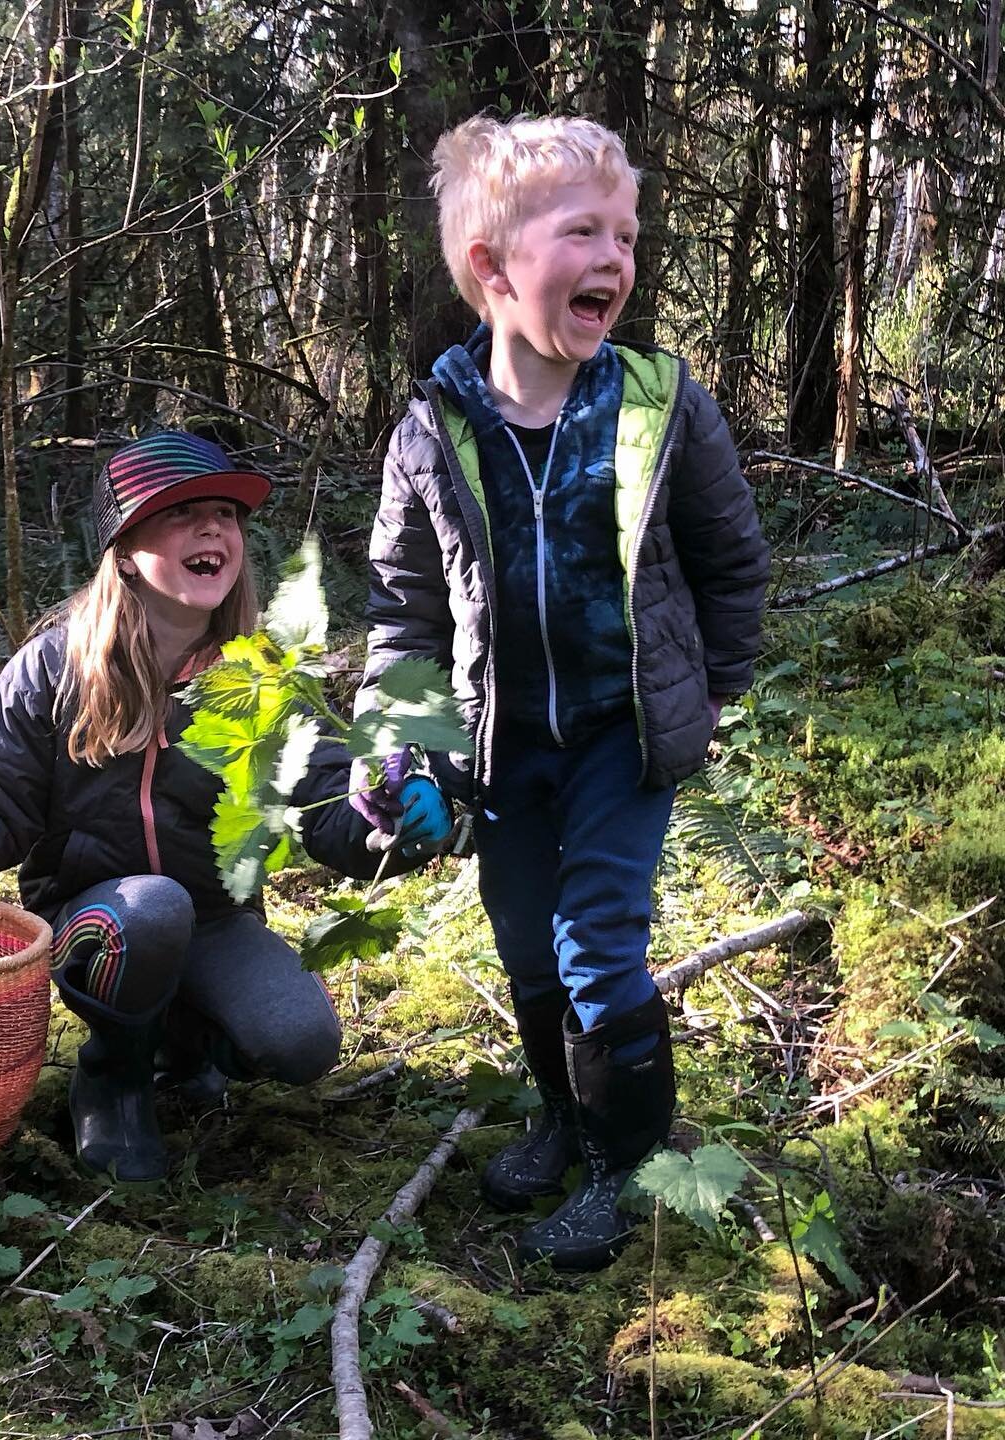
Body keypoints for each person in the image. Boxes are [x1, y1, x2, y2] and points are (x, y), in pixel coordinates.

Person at [0, 432, 452, 1183]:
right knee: (150, 909)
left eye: (226, 516)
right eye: (183, 515)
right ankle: (113, 1075)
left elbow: (328, 804)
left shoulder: (260, 678)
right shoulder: (54, 668)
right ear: (125, 549)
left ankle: (186, 1041)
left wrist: (387, 818)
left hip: (216, 917)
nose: (213, 531)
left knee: (301, 1042)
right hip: (91, 919)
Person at [352, 115, 771, 1269]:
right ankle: (562, 1113)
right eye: (583, 231)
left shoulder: (657, 404)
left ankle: (619, 1169)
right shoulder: (434, 432)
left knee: (596, 944)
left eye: (627, 236)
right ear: (492, 268)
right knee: (527, 949)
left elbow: (731, 559)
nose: (616, 259)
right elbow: (406, 614)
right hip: (505, 746)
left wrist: (711, 693)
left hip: (620, 738)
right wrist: (409, 750)